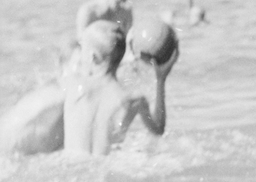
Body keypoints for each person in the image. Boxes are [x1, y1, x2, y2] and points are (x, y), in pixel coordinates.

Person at [62, 20, 177, 156]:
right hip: (105, 168)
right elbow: (158, 130)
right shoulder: (133, 100)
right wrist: (161, 79)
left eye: (82, 50)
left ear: (93, 57)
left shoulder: (71, 84)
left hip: (72, 166)